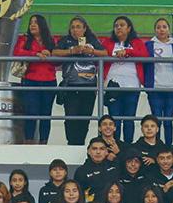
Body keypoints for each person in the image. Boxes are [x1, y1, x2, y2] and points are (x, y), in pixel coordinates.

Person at [52, 16, 108, 145]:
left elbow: (105, 53)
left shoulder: (92, 40)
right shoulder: (66, 40)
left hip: (89, 86)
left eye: (78, 27)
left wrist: (91, 51)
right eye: (72, 27)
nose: (75, 30)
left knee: (85, 119)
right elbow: (55, 52)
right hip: (71, 85)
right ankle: (71, 143)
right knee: (71, 118)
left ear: (84, 28)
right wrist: (72, 51)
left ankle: (80, 144)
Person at [101, 16, 148, 142]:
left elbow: (144, 55)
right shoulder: (108, 42)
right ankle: (114, 146)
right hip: (112, 85)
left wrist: (128, 52)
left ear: (129, 28)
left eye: (122, 25)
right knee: (114, 120)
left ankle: (128, 147)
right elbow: (101, 55)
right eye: (116, 25)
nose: (118, 28)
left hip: (132, 86)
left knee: (129, 119)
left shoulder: (137, 42)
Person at [13, 14, 57, 143]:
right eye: (31, 22)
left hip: (49, 81)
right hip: (30, 80)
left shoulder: (51, 41)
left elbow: (58, 62)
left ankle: (43, 143)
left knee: (46, 115)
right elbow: (17, 53)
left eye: (36, 22)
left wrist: (50, 55)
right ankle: (29, 143)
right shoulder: (25, 39)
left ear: (42, 25)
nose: (32, 25)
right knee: (30, 113)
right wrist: (36, 54)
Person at [142, 17, 173, 144]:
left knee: (168, 121)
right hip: (155, 88)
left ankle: (168, 148)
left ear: (169, 29)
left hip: (171, 87)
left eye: (164, 27)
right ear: (155, 30)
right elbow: (143, 64)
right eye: (158, 27)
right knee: (156, 121)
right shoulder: (149, 45)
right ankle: (157, 147)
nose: (161, 30)